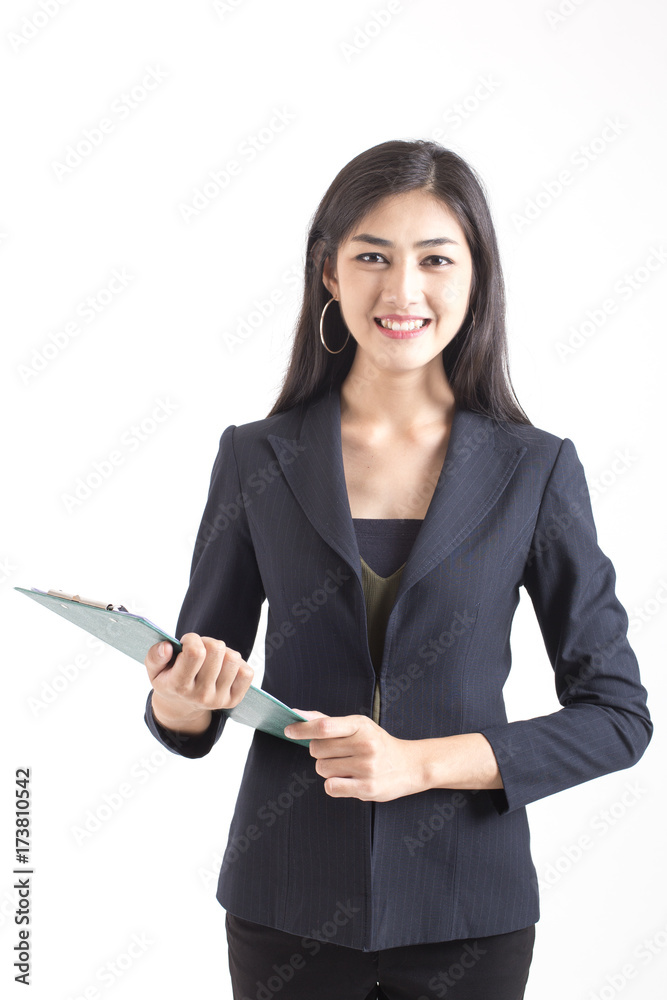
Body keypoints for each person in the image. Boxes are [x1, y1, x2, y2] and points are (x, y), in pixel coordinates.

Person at [143, 139, 653, 1000]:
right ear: (329, 273)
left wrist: (419, 764)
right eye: (373, 257)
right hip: (286, 904)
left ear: (476, 278)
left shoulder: (535, 470)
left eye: (435, 260)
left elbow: (616, 718)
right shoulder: (254, 458)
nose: (402, 291)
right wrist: (179, 700)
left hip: (468, 913)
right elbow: (198, 686)